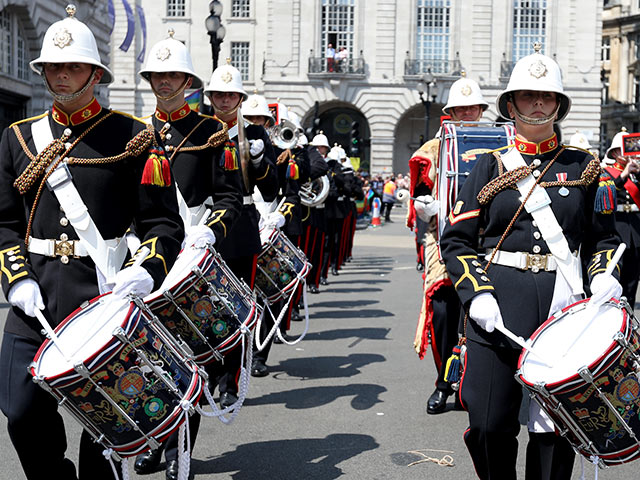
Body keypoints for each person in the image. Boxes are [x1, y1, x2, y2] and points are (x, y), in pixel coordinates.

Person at [0, 6, 184, 480]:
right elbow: (2, 223)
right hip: (34, 297)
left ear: (96, 74)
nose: (62, 76)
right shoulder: (17, 137)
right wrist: (15, 279)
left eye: (73, 67)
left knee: (106, 427)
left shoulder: (135, 137)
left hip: (101, 295)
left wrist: (147, 269)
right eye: (53, 68)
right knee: (20, 413)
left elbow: (162, 224)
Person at [439, 43, 622, 479]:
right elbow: (457, 242)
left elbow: (604, 238)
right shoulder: (488, 165)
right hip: (499, 304)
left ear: (558, 104)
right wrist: (477, 293)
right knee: (487, 423)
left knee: (555, 429)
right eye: (527, 96)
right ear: (511, 105)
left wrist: (602, 277)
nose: (538, 104)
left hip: (564, 306)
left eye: (546, 97)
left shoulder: (586, 167)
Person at [133, 31, 244, 480]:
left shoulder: (212, 132)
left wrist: (209, 235)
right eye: (157, 75)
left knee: (189, 357)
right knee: (146, 358)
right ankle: (155, 436)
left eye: (172, 74)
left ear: (187, 79)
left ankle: (180, 448)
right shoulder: (136, 133)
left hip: (194, 259)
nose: (164, 82)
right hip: (146, 262)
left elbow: (229, 198)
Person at [408, 74, 489, 415]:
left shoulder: (500, 142)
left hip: (488, 238)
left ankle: (476, 382)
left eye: (472, 108)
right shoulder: (433, 148)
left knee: (482, 312)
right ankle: (444, 382)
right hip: (444, 234)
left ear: (481, 110)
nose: (467, 113)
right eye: (461, 109)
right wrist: (425, 205)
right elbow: (419, 196)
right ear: (451, 112)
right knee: (442, 310)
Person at [603, 128, 640, 305]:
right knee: (615, 279)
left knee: (632, 282)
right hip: (617, 229)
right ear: (616, 153)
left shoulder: (636, 174)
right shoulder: (607, 172)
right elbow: (607, 191)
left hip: (635, 231)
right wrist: (624, 174)